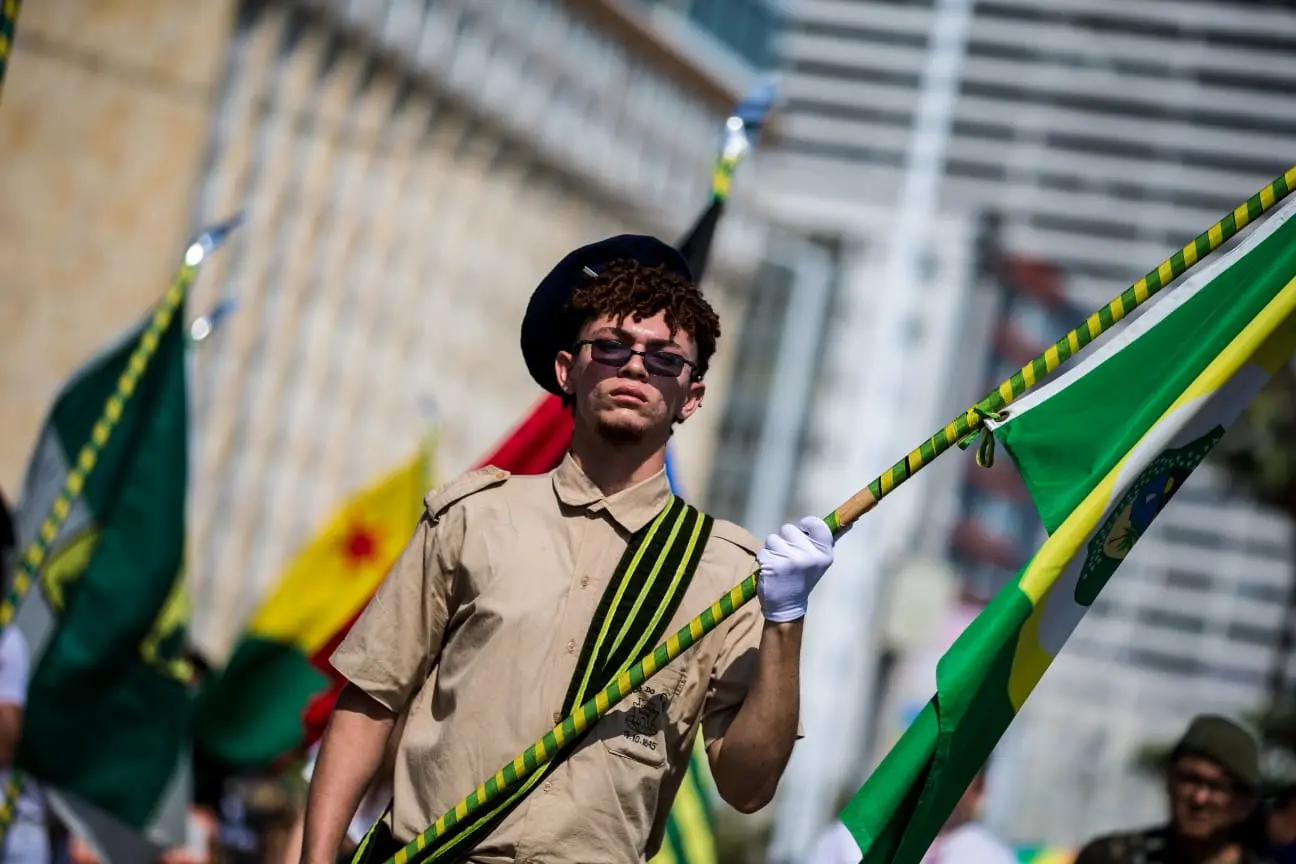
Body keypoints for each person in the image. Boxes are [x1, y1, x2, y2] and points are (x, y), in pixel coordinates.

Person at [300, 235, 836, 864]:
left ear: (691, 397)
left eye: (665, 359)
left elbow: (748, 787)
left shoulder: (728, 570)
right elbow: (370, 704)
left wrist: (786, 621)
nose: (635, 367)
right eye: (611, 347)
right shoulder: (473, 517)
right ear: (567, 370)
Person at [1075, 714, 1269, 864]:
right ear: (1168, 780)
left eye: (1217, 787)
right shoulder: (1109, 857)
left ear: (1246, 803)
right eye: (1190, 780)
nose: (1199, 798)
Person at [806, 769, 1016, 864]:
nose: (944, 785)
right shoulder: (856, 834)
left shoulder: (992, 858)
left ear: (979, 789)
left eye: (959, 775)